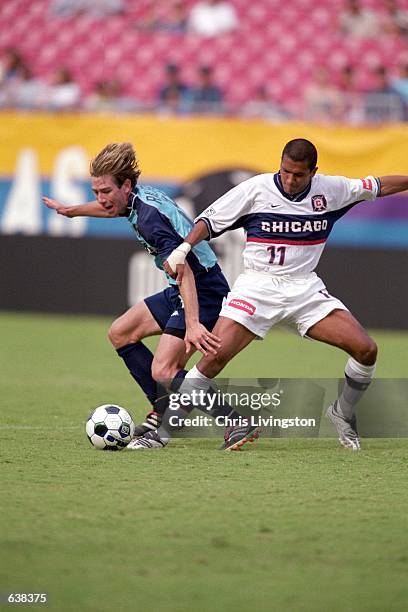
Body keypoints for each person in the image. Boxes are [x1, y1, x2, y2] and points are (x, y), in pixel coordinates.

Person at [163, 138, 408, 451]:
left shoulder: (331, 190)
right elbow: (209, 221)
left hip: (303, 287)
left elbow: (378, 185)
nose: (290, 180)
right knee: (214, 357)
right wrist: (183, 249)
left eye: (299, 175)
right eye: (285, 171)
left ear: (313, 172)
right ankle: (162, 431)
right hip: (257, 286)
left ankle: (342, 413)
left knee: (366, 350)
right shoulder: (257, 189)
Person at [43, 142, 253, 451]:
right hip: (183, 288)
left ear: (126, 185)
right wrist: (71, 210)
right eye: (95, 191)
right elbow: (109, 208)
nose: (100, 199)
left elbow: (184, 271)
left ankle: (235, 422)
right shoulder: (136, 199)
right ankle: (165, 408)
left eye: (105, 192)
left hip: (202, 290)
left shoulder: (149, 219)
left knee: (163, 370)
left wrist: (193, 324)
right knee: (121, 332)